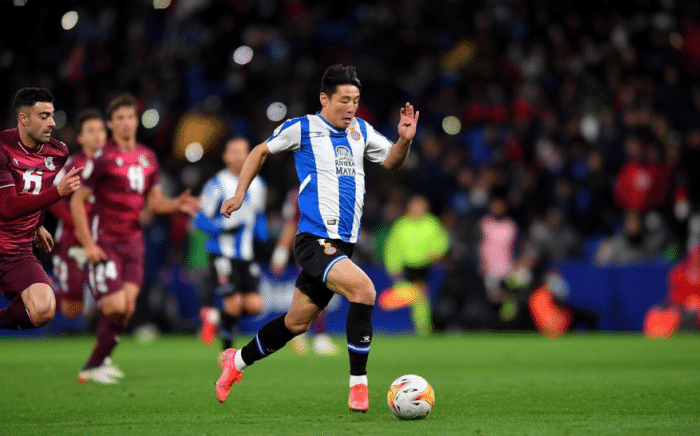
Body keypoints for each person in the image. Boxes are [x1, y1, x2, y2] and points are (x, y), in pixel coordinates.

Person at [215, 64, 419, 413]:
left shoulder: (360, 131)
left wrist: (404, 140)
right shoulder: (303, 128)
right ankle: (358, 386)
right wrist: (239, 193)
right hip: (314, 239)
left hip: (343, 244)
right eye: (344, 100)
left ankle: (235, 361)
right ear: (324, 99)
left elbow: (391, 162)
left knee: (296, 322)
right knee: (365, 291)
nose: (351, 107)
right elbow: (259, 151)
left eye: (355, 100)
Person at [70, 93, 199, 384]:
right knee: (115, 306)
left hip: (134, 244)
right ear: (110, 124)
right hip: (106, 242)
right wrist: (88, 244)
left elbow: (155, 204)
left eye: (130, 117)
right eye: (120, 118)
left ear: (137, 121)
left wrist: (176, 204)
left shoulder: (147, 157)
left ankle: (96, 363)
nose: (126, 123)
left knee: (126, 309)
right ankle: (96, 361)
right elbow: (78, 201)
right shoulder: (102, 158)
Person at [0, 87, 82, 330]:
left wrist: (37, 225)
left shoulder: (57, 152)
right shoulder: (3, 148)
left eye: (52, 115)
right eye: (44, 116)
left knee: (43, 309)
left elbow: (39, 188)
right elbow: (7, 207)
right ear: (23, 119)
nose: (52, 123)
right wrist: (58, 192)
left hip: (17, 251)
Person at [195, 137, 267, 356]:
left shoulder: (258, 184)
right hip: (222, 252)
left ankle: (216, 317)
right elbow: (200, 218)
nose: (239, 156)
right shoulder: (216, 184)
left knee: (255, 306)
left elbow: (259, 214)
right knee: (233, 303)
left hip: (246, 253)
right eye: (234, 152)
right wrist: (221, 229)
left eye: (243, 151)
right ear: (225, 156)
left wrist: (264, 235)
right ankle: (227, 354)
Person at [49, 109, 107, 321]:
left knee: (115, 297)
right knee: (71, 307)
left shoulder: (115, 163)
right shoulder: (73, 165)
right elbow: (52, 197)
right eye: (90, 131)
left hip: (105, 240)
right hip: (72, 241)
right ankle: (38, 296)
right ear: (80, 138)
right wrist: (75, 223)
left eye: (100, 130)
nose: (97, 135)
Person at [270, 186, 341, 356]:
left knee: (313, 292)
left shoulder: (330, 190)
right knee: (317, 290)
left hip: (326, 247)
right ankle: (317, 337)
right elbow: (291, 224)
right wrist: (280, 253)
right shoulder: (300, 194)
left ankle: (298, 333)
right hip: (309, 248)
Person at [380, 194, 449, 336]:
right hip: (406, 267)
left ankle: (423, 328)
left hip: (425, 266)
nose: (417, 209)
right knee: (412, 296)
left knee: (421, 298)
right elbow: (392, 247)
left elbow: (441, 242)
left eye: (420, 206)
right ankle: (413, 325)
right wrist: (393, 267)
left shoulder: (431, 223)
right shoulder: (401, 225)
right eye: (415, 205)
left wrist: (436, 253)